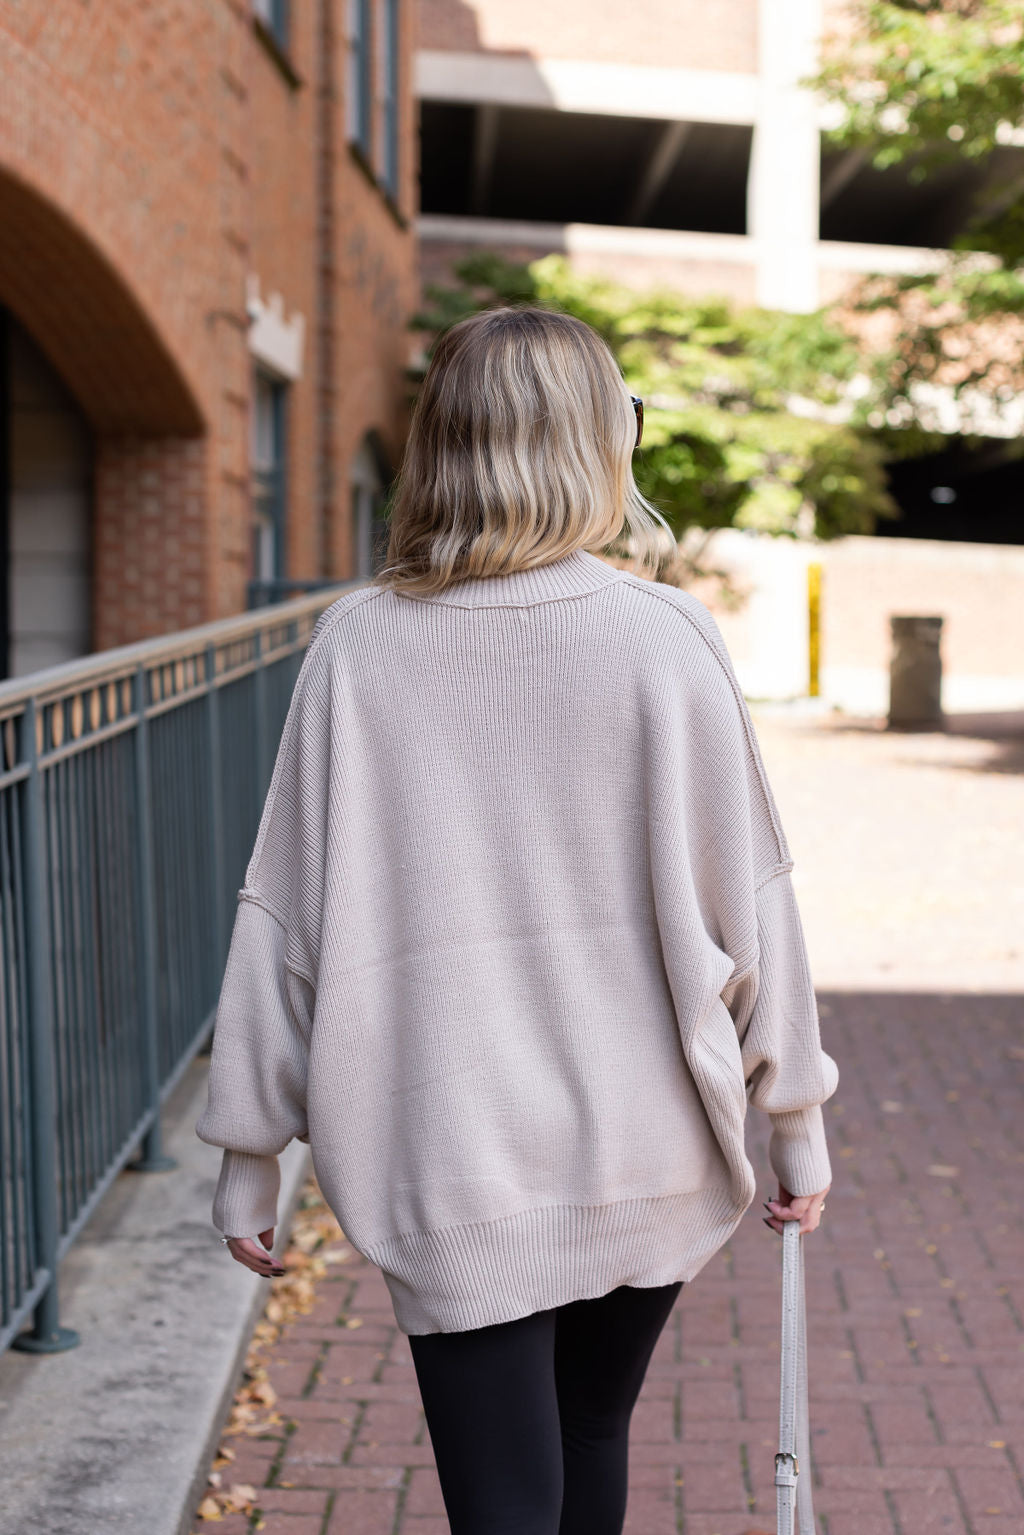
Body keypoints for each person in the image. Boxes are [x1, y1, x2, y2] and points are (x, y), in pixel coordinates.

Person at [196, 306, 838, 1535]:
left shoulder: (358, 646)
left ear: (444, 445)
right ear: (603, 441)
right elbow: (756, 908)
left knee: (499, 1498)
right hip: (643, 1140)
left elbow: (282, 923)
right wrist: (793, 1118)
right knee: (593, 1435)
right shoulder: (668, 637)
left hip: (450, 1152)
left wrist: (247, 1152)